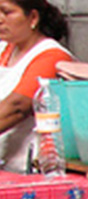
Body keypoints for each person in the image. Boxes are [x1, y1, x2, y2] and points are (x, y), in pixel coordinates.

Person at [0, 0, 72, 173]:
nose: (0, 19)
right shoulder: (5, 48)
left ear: (33, 17)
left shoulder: (52, 56)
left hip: (28, 169)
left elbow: (16, 108)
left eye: (7, 12)